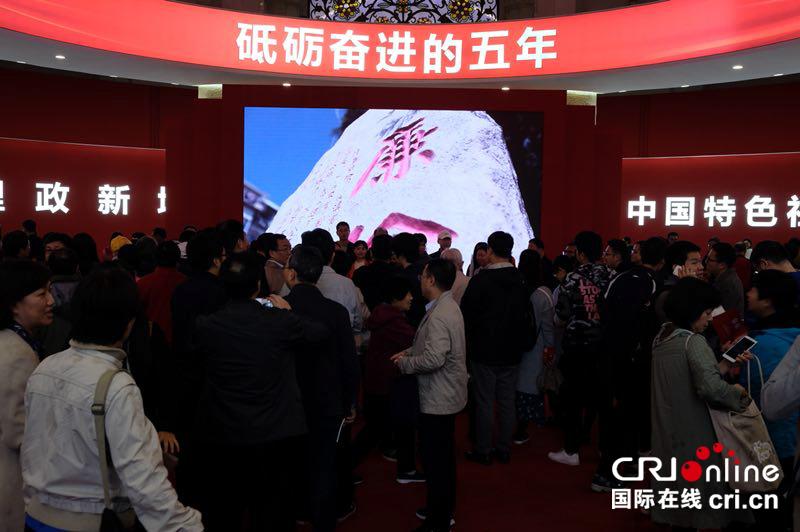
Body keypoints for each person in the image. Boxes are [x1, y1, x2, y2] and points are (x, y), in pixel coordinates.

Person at [21, 267, 202, 531]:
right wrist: (187, 526)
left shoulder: (45, 367)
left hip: (36, 516)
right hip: (89, 521)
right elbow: (144, 481)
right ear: (129, 323)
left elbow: (32, 447)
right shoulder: (116, 385)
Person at [194, 252, 316, 531]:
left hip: (225, 428)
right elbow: (318, 333)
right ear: (258, 286)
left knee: (227, 507)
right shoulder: (278, 320)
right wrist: (288, 312)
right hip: (274, 429)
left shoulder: (207, 325)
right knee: (273, 506)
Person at [650, 277, 753, 530]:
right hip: (696, 432)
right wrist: (739, 394)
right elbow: (711, 388)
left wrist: (725, 363)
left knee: (677, 496)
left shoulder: (662, 337)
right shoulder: (693, 342)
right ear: (692, 311)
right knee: (702, 500)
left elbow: (692, 377)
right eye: (707, 313)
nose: (709, 319)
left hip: (668, 430)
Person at [284, 245, 360, 529]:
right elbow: (348, 361)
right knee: (324, 464)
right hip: (327, 400)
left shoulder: (279, 308)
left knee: (290, 462)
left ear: (292, 274)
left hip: (287, 401)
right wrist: (350, 400)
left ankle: (297, 510)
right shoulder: (335, 312)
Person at [391, 259, 467, 532]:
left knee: (436, 462)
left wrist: (406, 363)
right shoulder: (445, 305)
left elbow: (435, 358)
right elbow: (430, 346)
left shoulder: (440, 313)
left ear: (432, 280)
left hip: (438, 397)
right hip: (445, 394)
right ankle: (442, 510)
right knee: (441, 459)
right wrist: (410, 352)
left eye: (423, 276)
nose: (420, 280)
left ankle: (439, 519)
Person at [590, 237, 666, 491]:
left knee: (620, 412)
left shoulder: (620, 279)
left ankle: (622, 463)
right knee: (628, 413)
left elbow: (602, 307)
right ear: (662, 261)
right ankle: (609, 472)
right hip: (635, 357)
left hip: (612, 353)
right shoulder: (654, 284)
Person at [461, 231, 530, 465]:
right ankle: (504, 448)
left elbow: (467, 314)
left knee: (484, 401)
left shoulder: (481, 280)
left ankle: (483, 450)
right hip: (512, 350)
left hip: (484, 350)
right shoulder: (519, 279)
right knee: (507, 401)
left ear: (490, 250)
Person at [169, 230, 228, 505]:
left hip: (184, 375)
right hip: (215, 377)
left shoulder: (181, 290)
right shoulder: (223, 292)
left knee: (190, 447)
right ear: (216, 260)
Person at [740, 270, 800, 531]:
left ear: (768, 300)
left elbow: (751, 396)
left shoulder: (760, 344)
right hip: (792, 441)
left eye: (754, 289)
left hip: (767, 439)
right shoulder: (791, 334)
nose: (748, 293)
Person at [549, 231, 614, 466]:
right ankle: (605, 450)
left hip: (577, 346)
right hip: (605, 346)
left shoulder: (573, 278)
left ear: (580, 253)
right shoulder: (612, 276)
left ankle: (571, 450)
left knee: (573, 398)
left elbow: (561, 315)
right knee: (603, 400)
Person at [0, 261, 52, 532]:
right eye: (41, 294)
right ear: (14, 304)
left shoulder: (12, 342)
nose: (51, 301)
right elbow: (17, 432)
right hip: (11, 480)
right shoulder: (17, 354)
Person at [353, 275, 419, 481]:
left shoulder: (383, 315)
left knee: (380, 427)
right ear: (396, 297)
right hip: (388, 382)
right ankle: (343, 468)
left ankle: (405, 467)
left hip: (377, 380)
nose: (411, 297)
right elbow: (417, 342)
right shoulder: (394, 321)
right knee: (380, 428)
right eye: (407, 293)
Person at [513, 249, 555, 444]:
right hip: (535, 347)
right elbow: (548, 327)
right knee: (530, 387)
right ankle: (522, 428)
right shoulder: (544, 293)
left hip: (514, 345)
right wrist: (550, 348)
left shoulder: (515, 288)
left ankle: (511, 425)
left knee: (512, 387)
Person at [301, 229, 364, 336]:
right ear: (333, 255)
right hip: (342, 341)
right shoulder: (347, 284)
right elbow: (357, 324)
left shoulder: (294, 282)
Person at [137, 241, 186, 345]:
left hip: (150, 341)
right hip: (181, 341)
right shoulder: (186, 283)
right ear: (178, 259)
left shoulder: (143, 283)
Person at [655, 240, 704, 323]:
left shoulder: (697, 286)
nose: (701, 267)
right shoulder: (667, 294)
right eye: (694, 263)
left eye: (700, 262)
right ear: (677, 268)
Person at [353, 234, 400, 311]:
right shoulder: (398, 274)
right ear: (392, 253)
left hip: (368, 315)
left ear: (371, 252)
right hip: (392, 315)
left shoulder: (360, 273)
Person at [393, 232, 427, 328]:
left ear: (401, 253)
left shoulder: (402, 277)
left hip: (408, 325)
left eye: (394, 251)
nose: (392, 254)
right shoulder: (425, 270)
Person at [705, 242, 744, 316]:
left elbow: (717, 314)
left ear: (722, 265)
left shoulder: (728, 284)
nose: (705, 261)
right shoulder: (724, 277)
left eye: (709, 259)